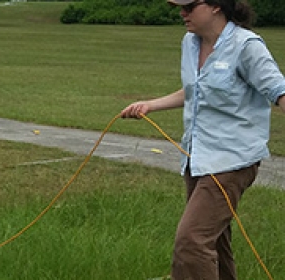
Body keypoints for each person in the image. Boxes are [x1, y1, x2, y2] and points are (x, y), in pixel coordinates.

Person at [120, 0, 285, 279]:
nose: (182, 14)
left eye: (189, 6)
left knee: (192, 241)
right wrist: (150, 104)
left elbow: (279, 91)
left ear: (216, 6)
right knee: (215, 243)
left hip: (233, 161)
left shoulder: (247, 46)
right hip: (197, 158)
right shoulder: (190, 42)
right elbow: (194, 90)